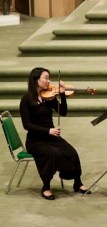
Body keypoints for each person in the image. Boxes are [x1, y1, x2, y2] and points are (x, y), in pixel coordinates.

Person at [19, 67, 90, 200]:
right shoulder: (26, 100)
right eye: (45, 78)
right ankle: (46, 187)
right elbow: (26, 125)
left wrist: (62, 94)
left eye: (49, 78)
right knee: (52, 154)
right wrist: (48, 130)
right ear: (35, 79)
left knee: (71, 152)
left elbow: (63, 112)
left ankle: (77, 183)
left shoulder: (48, 97)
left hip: (52, 137)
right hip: (35, 140)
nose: (48, 81)